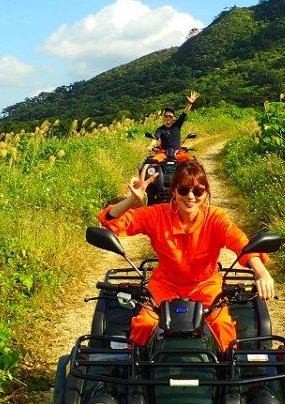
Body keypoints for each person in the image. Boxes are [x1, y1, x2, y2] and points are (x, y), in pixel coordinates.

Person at [97, 160, 274, 352]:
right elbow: (111, 222)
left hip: (206, 285)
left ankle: (229, 377)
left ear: (205, 193)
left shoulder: (215, 217)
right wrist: (132, 200)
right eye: (183, 190)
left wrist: (261, 271)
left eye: (198, 191)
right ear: (173, 191)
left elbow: (241, 242)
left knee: (222, 325)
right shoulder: (158, 215)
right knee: (144, 325)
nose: (190, 197)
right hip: (165, 285)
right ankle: (137, 376)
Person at [147, 91, 199, 163]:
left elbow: (184, 113)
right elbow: (155, 139)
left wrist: (190, 103)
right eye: (166, 116)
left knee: (193, 162)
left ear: (173, 118)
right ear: (164, 117)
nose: (168, 118)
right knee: (150, 164)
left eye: (170, 116)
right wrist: (150, 146)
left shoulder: (177, 125)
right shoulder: (160, 129)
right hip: (163, 153)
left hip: (178, 153)